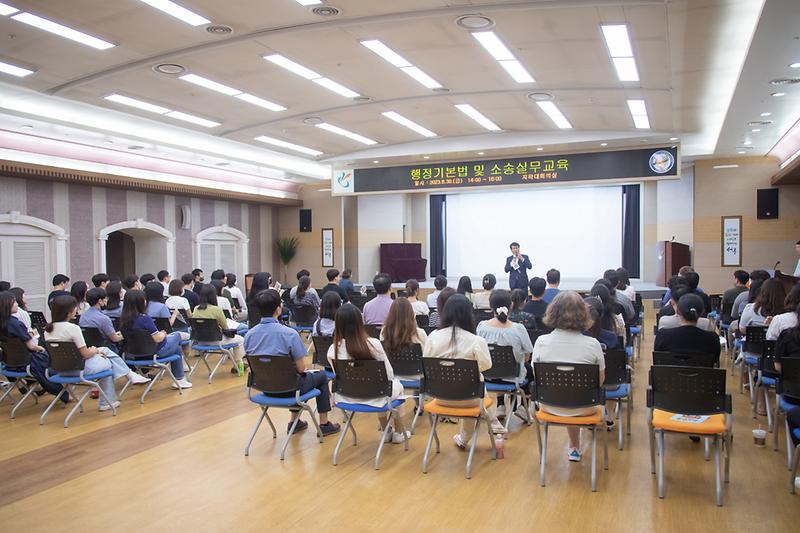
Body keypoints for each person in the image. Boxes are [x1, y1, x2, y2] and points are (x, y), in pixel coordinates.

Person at [243, 289, 340, 436]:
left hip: (264, 388)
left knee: (293, 378)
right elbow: (301, 369)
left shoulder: (249, 335)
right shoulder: (289, 334)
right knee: (319, 376)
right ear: (278, 309)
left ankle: (295, 423)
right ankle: (324, 423)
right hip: (289, 388)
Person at [532, 291, 606, 461]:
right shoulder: (593, 344)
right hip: (585, 407)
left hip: (549, 405)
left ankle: (574, 446)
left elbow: (537, 376)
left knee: (565, 392)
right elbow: (600, 381)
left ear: (552, 312)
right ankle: (574, 447)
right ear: (583, 314)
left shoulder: (541, 342)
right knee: (574, 394)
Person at [45, 295, 146, 411]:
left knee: (104, 351)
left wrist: (96, 351)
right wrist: (94, 351)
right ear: (69, 312)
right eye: (75, 307)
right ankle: (109, 398)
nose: (77, 310)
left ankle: (129, 376)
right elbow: (85, 354)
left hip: (59, 370)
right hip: (79, 370)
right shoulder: (72, 328)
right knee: (107, 362)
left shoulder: (48, 330)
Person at [328, 303, 409, 443]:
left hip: (346, 397)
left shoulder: (333, 349)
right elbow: (388, 375)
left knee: (380, 388)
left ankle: (385, 431)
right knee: (396, 386)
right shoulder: (373, 344)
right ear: (360, 323)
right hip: (376, 396)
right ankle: (398, 433)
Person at [423, 294, 493, 449]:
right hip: (470, 399)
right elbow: (486, 365)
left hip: (439, 396)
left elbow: (426, 363)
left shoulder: (433, 337)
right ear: (469, 315)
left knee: (474, 383)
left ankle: (490, 423)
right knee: (477, 381)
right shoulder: (476, 341)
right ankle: (471, 434)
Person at [476, 290, 534, 429]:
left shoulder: (481, 327)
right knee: (528, 369)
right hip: (512, 378)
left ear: (491, 307)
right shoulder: (518, 329)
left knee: (498, 367)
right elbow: (526, 357)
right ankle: (521, 407)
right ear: (511, 304)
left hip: (487, 376)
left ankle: (501, 405)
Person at [0, 291, 66, 403]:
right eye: (14, 302)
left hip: (10, 364)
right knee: (50, 359)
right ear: (7, 305)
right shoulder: (16, 324)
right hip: (27, 363)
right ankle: (63, 391)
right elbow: (31, 346)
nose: (17, 304)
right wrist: (42, 348)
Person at [120, 290, 192, 389]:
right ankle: (179, 379)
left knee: (176, 348)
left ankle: (180, 379)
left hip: (133, 354)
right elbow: (157, 339)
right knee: (177, 337)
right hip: (153, 353)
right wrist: (162, 334)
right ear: (141, 302)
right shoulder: (145, 319)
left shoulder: (123, 320)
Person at [192, 284, 246, 373]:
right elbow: (225, 328)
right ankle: (238, 365)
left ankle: (237, 364)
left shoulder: (196, 309)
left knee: (233, 342)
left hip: (200, 341)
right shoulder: (216, 309)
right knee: (240, 340)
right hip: (216, 340)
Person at [654, 293, 720, 364]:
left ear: (678, 312)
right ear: (701, 312)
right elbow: (715, 359)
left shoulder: (663, 335)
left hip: (669, 374)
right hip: (702, 374)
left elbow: (658, 358)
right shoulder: (712, 338)